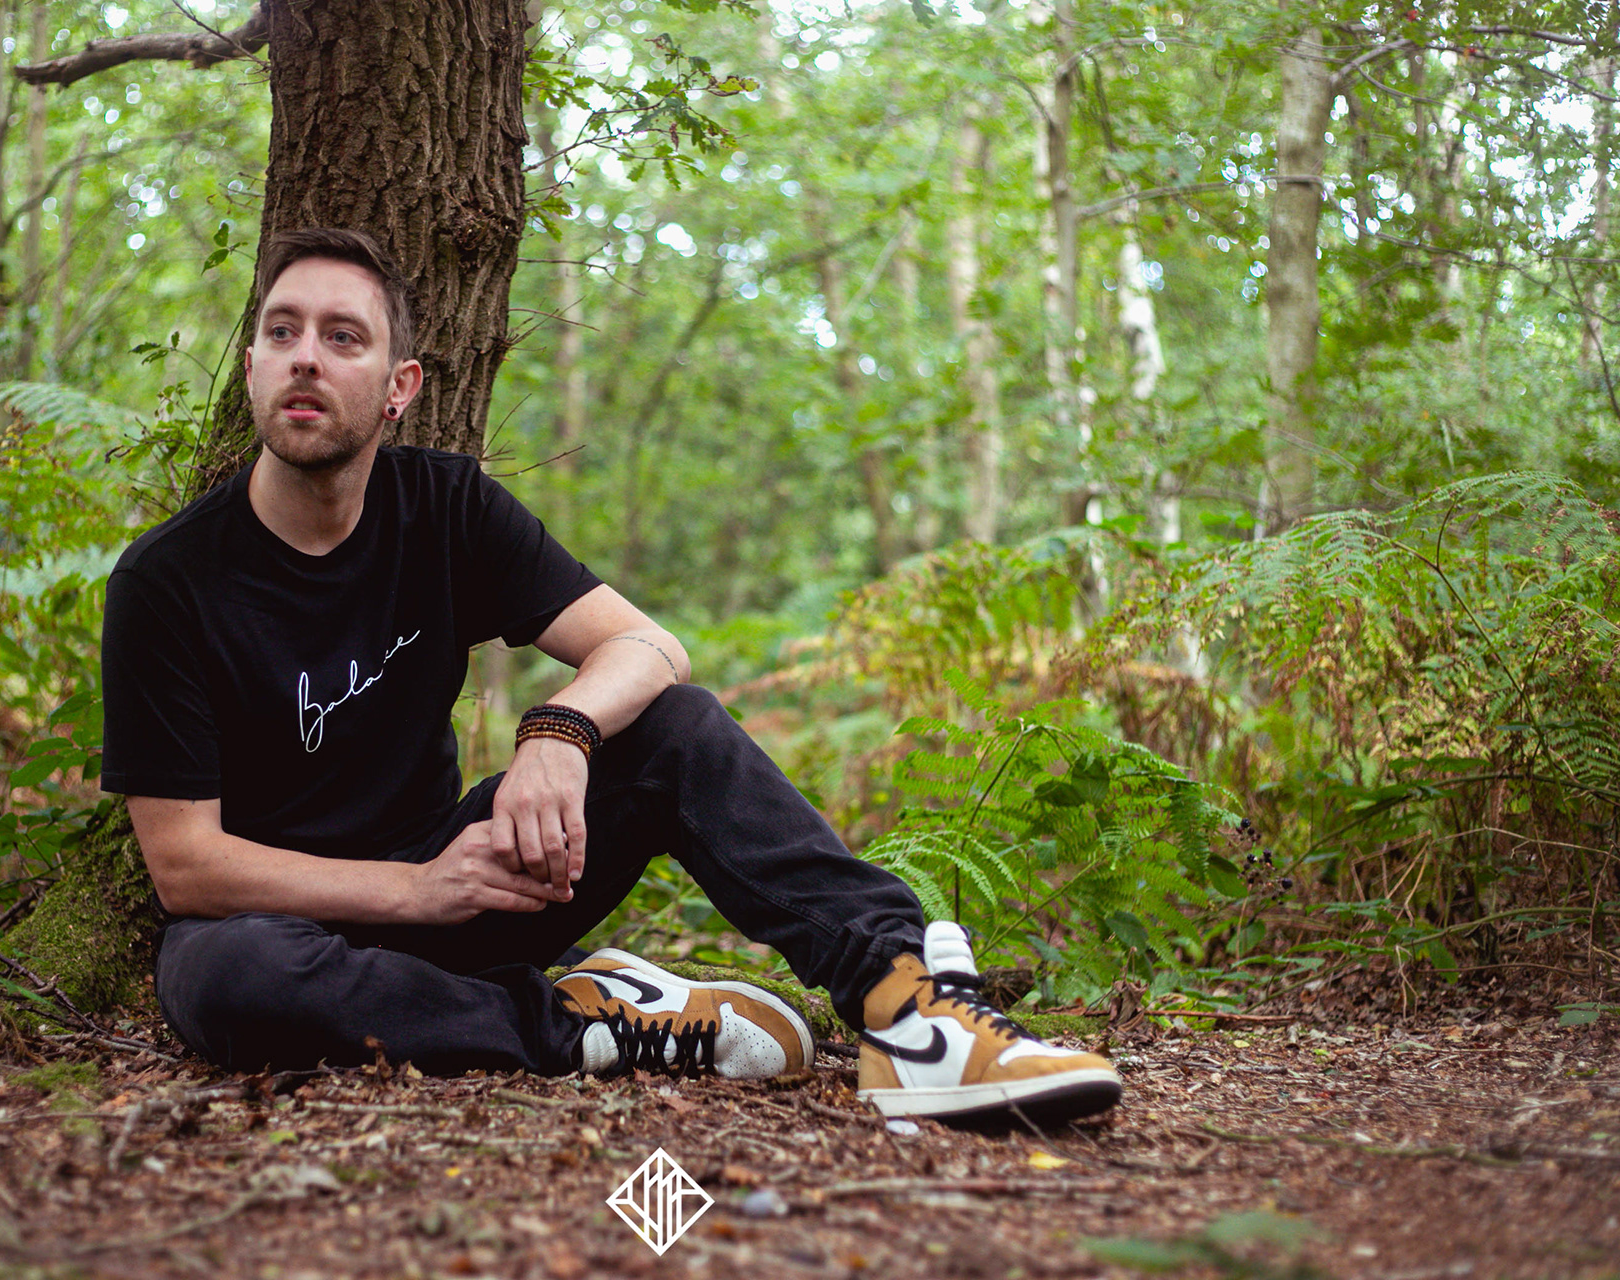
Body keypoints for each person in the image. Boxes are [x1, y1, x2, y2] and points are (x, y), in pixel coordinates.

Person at [100, 227, 1121, 1126]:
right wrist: (413, 890)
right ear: (251, 365)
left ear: (399, 386)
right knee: (225, 977)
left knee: (675, 726)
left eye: (342, 337)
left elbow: (650, 647)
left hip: (473, 884)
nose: (305, 358)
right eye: (282, 332)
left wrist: (560, 731)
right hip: (287, 930)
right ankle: (590, 1022)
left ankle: (908, 1009)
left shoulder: (444, 508)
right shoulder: (169, 581)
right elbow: (187, 866)